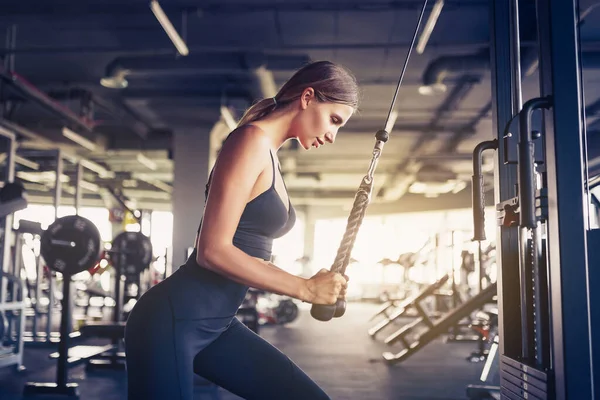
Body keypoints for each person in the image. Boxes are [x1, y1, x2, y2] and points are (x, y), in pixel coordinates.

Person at [125, 60, 360, 400]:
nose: (332, 135)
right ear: (308, 97)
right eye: (334, 120)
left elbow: (249, 254)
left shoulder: (270, 154)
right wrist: (305, 290)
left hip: (217, 325)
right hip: (172, 320)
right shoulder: (250, 141)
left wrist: (314, 282)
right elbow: (212, 251)